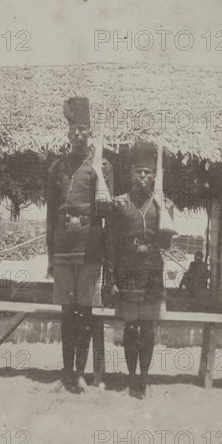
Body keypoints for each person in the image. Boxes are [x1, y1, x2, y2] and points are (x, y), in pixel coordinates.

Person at [46, 97, 113, 392]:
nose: (77, 134)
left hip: (89, 249)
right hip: (62, 248)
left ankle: (82, 373)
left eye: (82, 129)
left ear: (89, 133)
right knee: (66, 312)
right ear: (67, 132)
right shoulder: (57, 168)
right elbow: (50, 215)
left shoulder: (102, 167)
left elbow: (108, 215)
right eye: (73, 128)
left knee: (84, 312)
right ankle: (66, 370)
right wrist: (50, 255)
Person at [105, 142, 174, 398]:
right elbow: (110, 244)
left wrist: (163, 230)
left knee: (147, 329)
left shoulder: (164, 205)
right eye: (138, 172)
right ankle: (131, 375)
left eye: (148, 172)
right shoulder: (119, 204)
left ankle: (144, 378)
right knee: (130, 328)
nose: (143, 177)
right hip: (126, 273)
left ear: (155, 175)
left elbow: (167, 243)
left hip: (152, 274)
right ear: (131, 174)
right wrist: (110, 279)